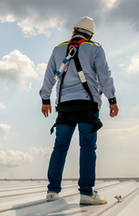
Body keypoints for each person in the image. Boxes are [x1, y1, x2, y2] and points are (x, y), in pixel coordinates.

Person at [39, 16, 119, 205]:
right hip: (87, 106)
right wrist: (112, 100)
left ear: (74, 31)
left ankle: (52, 191)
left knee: (59, 147)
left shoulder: (58, 49)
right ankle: (86, 193)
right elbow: (104, 75)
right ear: (90, 34)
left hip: (64, 107)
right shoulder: (95, 48)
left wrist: (45, 99)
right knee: (88, 148)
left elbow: (49, 74)